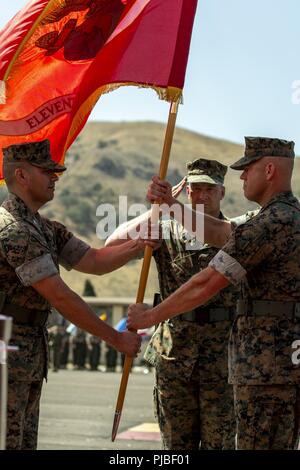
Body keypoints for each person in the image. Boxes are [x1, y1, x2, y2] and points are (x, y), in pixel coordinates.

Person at [127, 137, 300, 450]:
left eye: (247, 169)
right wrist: (170, 207)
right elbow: (222, 233)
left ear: (270, 169)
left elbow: (207, 282)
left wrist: (150, 316)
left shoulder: (269, 223)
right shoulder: (283, 218)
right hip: (269, 366)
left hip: (265, 371)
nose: (243, 176)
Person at [0, 139, 155, 450]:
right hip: (7, 354)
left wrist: (140, 245)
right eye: (47, 172)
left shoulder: (45, 228)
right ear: (21, 175)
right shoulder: (14, 229)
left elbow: (94, 261)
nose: (55, 178)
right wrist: (116, 338)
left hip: (27, 355)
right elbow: (61, 297)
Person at [107, 158, 247, 450]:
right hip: (174, 355)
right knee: (174, 446)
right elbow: (112, 244)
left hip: (222, 357)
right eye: (195, 188)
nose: (202, 195)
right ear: (186, 192)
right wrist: (156, 210)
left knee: (219, 443)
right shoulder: (165, 231)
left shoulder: (233, 233)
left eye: (209, 188)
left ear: (222, 193)